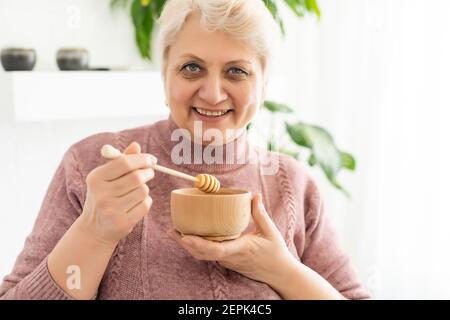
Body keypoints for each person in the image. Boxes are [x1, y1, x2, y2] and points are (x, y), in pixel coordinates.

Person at [0, 0, 369, 300]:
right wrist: (94, 233)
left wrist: (280, 270)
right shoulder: (91, 164)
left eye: (236, 71)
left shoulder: (293, 183)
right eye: (192, 67)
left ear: (263, 85)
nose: (212, 93)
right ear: (165, 77)